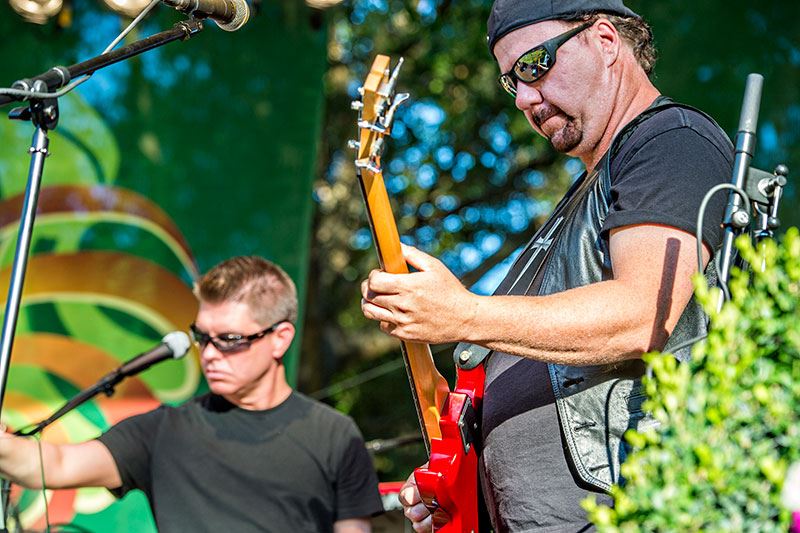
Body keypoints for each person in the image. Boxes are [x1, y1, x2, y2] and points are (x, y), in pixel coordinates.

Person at [360, 1, 733, 531]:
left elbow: (641, 313)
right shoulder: (578, 203)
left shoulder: (671, 139)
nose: (526, 98)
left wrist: (464, 315)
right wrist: (462, 490)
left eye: (535, 65)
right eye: (513, 83)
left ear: (605, 41)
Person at [1, 256, 383, 533]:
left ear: (280, 338)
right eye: (202, 337)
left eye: (230, 340)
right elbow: (52, 465)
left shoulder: (335, 435)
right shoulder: (163, 430)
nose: (210, 353)